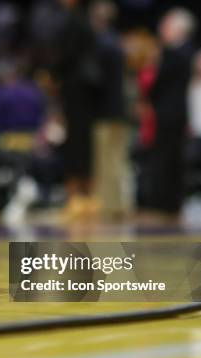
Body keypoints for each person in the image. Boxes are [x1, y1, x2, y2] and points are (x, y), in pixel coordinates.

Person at [143, 8, 194, 221]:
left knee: (167, 159)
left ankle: (165, 204)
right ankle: (169, 203)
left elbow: (158, 84)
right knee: (171, 159)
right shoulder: (186, 52)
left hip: (168, 113)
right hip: (176, 112)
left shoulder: (174, 53)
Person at [50, 0, 99, 222]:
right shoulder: (86, 20)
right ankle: (86, 198)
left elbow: (65, 55)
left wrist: (53, 73)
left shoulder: (72, 20)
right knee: (82, 144)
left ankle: (77, 199)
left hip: (75, 90)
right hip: (85, 93)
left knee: (76, 144)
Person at [88, 0, 132, 220]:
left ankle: (109, 207)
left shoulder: (100, 43)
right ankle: (123, 204)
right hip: (120, 110)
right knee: (119, 160)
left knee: (106, 162)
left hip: (104, 111)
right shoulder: (117, 42)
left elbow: (96, 80)